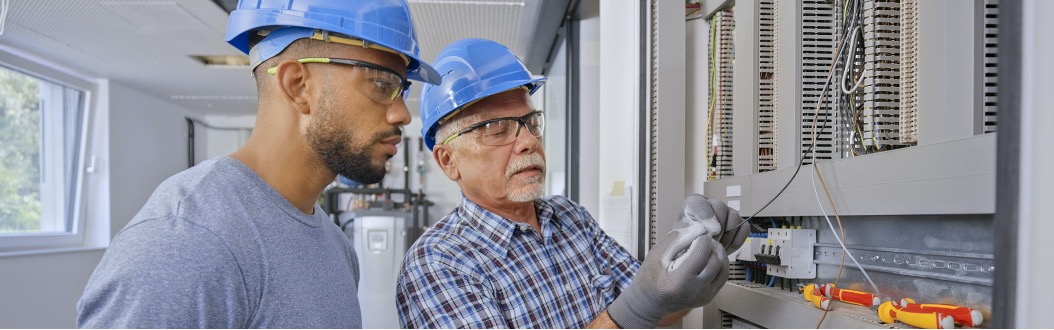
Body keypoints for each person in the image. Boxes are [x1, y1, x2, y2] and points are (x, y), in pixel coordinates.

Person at [76, 0, 439, 328]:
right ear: (298, 85)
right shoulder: (188, 239)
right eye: (381, 83)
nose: (402, 114)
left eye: (402, 88)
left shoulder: (335, 246)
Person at [396, 38, 749, 329]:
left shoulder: (569, 218)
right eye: (497, 129)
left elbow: (653, 309)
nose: (528, 142)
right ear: (448, 161)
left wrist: (689, 256)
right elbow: (635, 310)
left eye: (530, 122)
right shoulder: (438, 264)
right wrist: (639, 305)